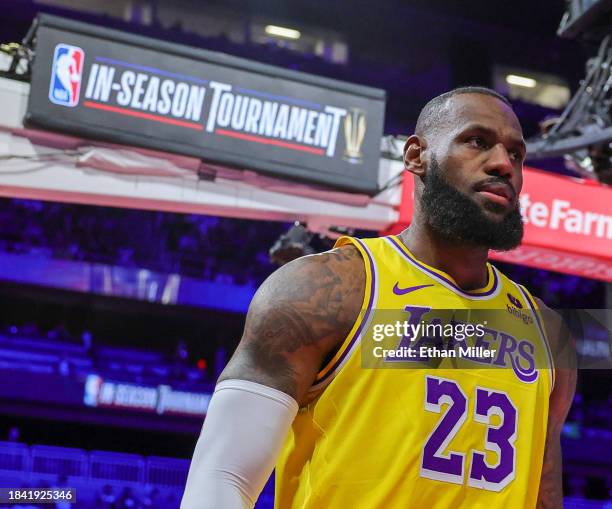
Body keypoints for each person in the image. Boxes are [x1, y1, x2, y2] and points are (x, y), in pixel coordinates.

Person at [180, 87, 577, 508]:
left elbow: (542, 495)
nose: (503, 164)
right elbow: (223, 478)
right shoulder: (327, 289)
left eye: (516, 154)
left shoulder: (547, 333)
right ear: (415, 156)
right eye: (476, 141)